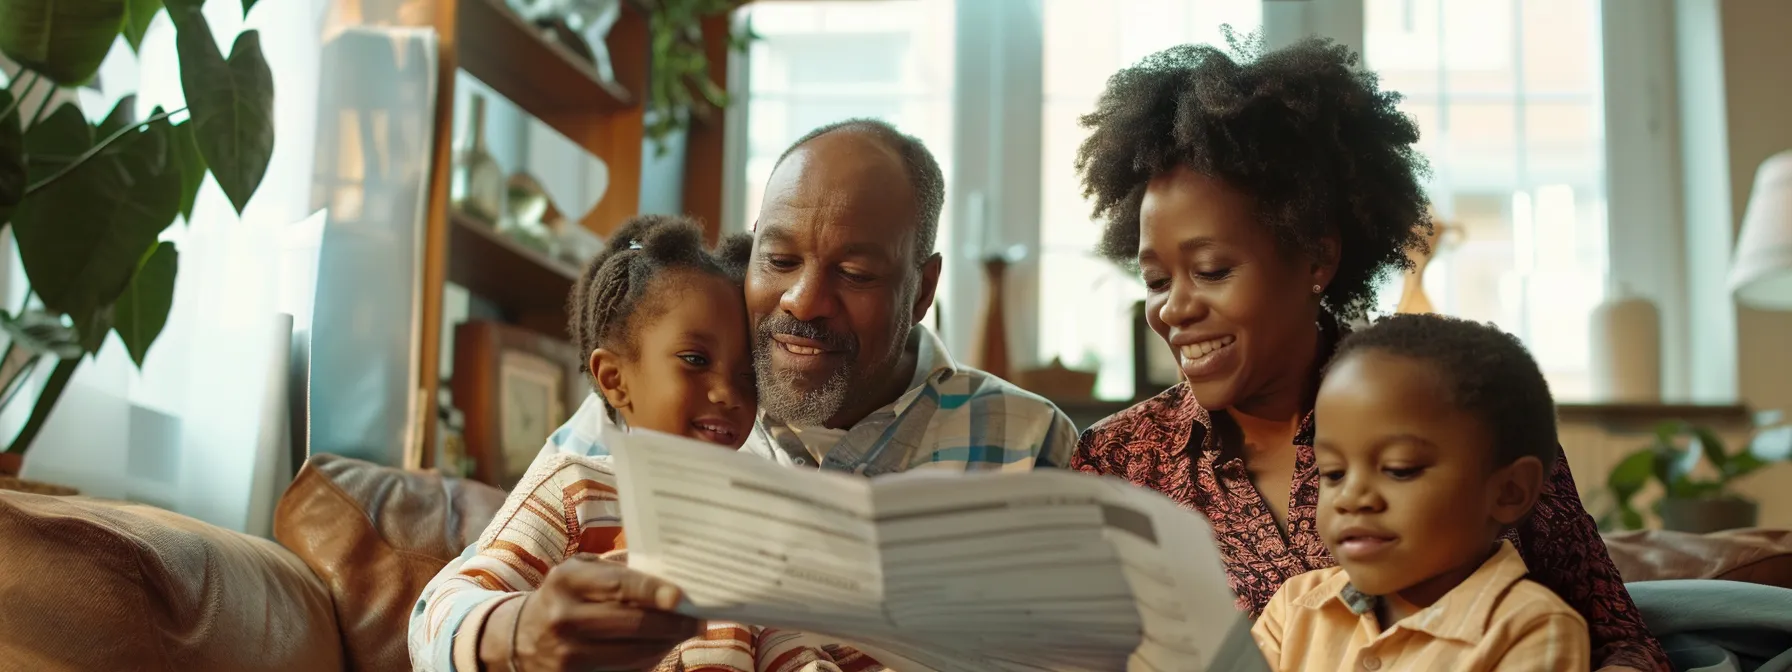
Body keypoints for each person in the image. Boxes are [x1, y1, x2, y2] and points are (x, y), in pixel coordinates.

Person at [1067, 36, 1668, 671]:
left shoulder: (1456, 402)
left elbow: (1623, 640)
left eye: (1213, 270)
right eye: (1157, 282)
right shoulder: (1117, 464)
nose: (1175, 309)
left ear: (1317, 258)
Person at [412, 120, 1078, 671]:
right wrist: (520, 631)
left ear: (923, 289)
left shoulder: (1028, 438)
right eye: (780, 260)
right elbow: (439, 613)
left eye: (854, 272)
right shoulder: (661, 407)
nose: (802, 301)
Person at [1252, 314, 1590, 672]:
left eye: (1400, 469)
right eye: (1333, 473)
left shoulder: (1531, 630)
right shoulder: (1294, 609)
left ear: (1509, 492)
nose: (1350, 497)